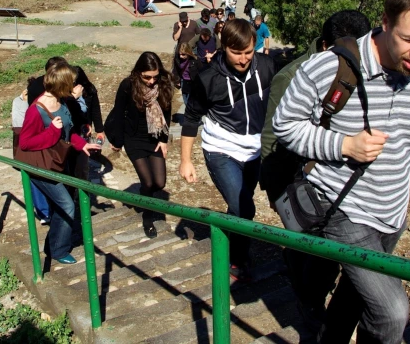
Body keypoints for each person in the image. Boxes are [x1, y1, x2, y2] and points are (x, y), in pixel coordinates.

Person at [273, 0, 410, 344]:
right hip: (342, 208)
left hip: (392, 214)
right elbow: (285, 124)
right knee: (391, 311)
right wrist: (345, 146)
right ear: (384, 22)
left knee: (354, 298)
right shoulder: (332, 67)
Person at [260, 10, 371, 330]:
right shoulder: (292, 76)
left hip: (340, 183)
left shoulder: (361, 73)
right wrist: (276, 191)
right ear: (326, 46)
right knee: (306, 246)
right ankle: (307, 303)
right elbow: (272, 138)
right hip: (294, 181)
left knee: (328, 253)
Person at [179, 19, 276, 280]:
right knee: (245, 207)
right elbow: (190, 119)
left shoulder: (266, 68)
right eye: (237, 53)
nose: (244, 59)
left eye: (248, 52)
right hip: (221, 149)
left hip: (254, 150)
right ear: (224, 48)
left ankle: (228, 235)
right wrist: (186, 160)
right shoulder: (208, 79)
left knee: (240, 207)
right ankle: (237, 259)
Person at [18, 63, 101, 265]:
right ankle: (59, 249)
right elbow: (25, 143)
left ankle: (53, 245)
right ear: (62, 84)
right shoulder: (36, 110)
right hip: (41, 168)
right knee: (66, 205)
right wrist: (52, 131)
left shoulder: (61, 101)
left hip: (56, 162)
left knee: (60, 205)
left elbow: (69, 131)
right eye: (71, 83)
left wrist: (83, 146)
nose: (75, 86)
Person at [108, 52, 173, 239]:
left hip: (154, 137)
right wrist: (118, 141)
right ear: (138, 73)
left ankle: (146, 198)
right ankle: (148, 216)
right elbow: (119, 113)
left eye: (155, 76)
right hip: (134, 138)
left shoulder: (163, 84)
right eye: (147, 77)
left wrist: (163, 140)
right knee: (147, 181)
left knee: (159, 183)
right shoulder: (128, 85)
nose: (152, 81)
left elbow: (167, 111)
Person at [12, 86, 51, 225]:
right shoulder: (21, 102)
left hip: (43, 147)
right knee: (34, 178)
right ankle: (44, 211)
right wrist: (23, 102)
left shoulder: (46, 101)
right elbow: (18, 125)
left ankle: (47, 211)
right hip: (32, 149)